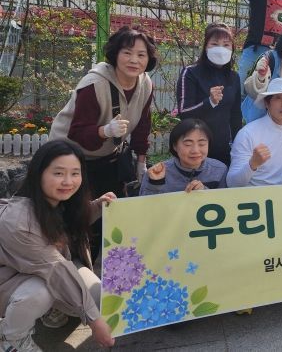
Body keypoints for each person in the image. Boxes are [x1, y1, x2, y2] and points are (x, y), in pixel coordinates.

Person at [50, 27, 156, 259]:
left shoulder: (146, 84)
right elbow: (77, 133)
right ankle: (70, 268)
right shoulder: (94, 84)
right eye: (127, 53)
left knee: (109, 212)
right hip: (71, 155)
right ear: (115, 54)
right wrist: (105, 131)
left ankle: (102, 270)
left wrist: (141, 161)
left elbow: (143, 124)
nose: (134, 60)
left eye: (141, 54)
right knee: (76, 218)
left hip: (108, 155)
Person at [0, 140, 116, 351]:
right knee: (41, 291)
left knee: (100, 300)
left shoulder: (60, 201)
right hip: (11, 281)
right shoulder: (18, 220)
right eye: (59, 173)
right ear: (39, 173)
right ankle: (10, 338)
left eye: (75, 173)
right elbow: (55, 268)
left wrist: (99, 206)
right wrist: (94, 321)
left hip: (49, 269)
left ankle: (54, 308)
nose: (68, 181)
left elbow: (71, 224)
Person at [177, 23, 242, 166]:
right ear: (206, 47)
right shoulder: (191, 72)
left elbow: (236, 116)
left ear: (232, 49)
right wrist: (210, 102)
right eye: (214, 44)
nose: (221, 49)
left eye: (226, 45)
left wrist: (239, 145)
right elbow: (184, 112)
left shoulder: (234, 77)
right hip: (195, 150)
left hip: (223, 150)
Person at [227, 77, 282, 188]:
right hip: (251, 195)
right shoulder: (248, 133)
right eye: (278, 98)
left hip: (281, 194)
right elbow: (232, 183)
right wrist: (252, 164)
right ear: (267, 103)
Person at [140, 119, 227, 195]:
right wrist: (155, 183)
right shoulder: (156, 173)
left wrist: (205, 192)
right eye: (188, 144)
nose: (195, 150)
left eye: (202, 144)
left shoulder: (219, 170)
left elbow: (225, 202)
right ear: (175, 146)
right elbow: (144, 205)